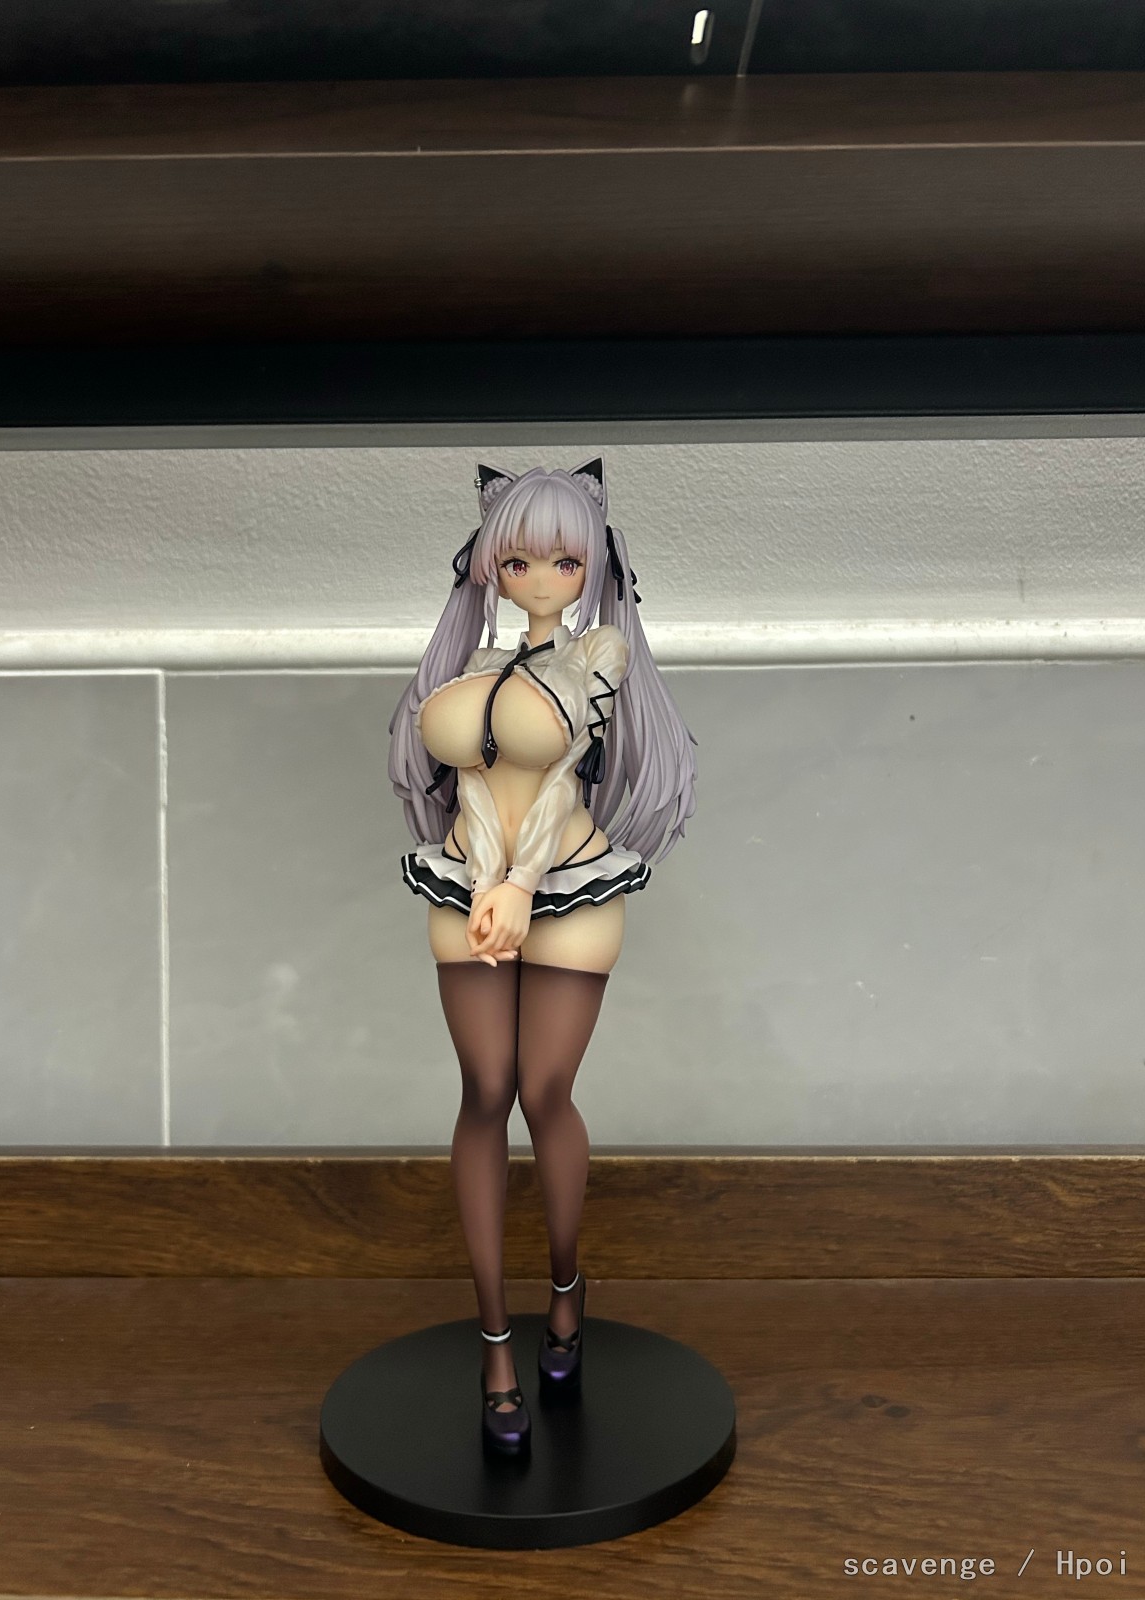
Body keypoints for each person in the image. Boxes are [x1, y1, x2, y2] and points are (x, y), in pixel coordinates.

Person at [388, 457, 696, 1455]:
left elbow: (560, 776)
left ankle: (566, 1287)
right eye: (517, 559)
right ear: (491, 563)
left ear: (592, 563)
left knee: (542, 1092)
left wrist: (521, 883)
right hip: (469, 881)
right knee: (484, 1094)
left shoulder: (599, 649)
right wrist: (487, 878)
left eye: (564, 560)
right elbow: (472, 781)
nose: (540, 577)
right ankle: (494, 1345)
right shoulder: (472, 661)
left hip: (568, 886)